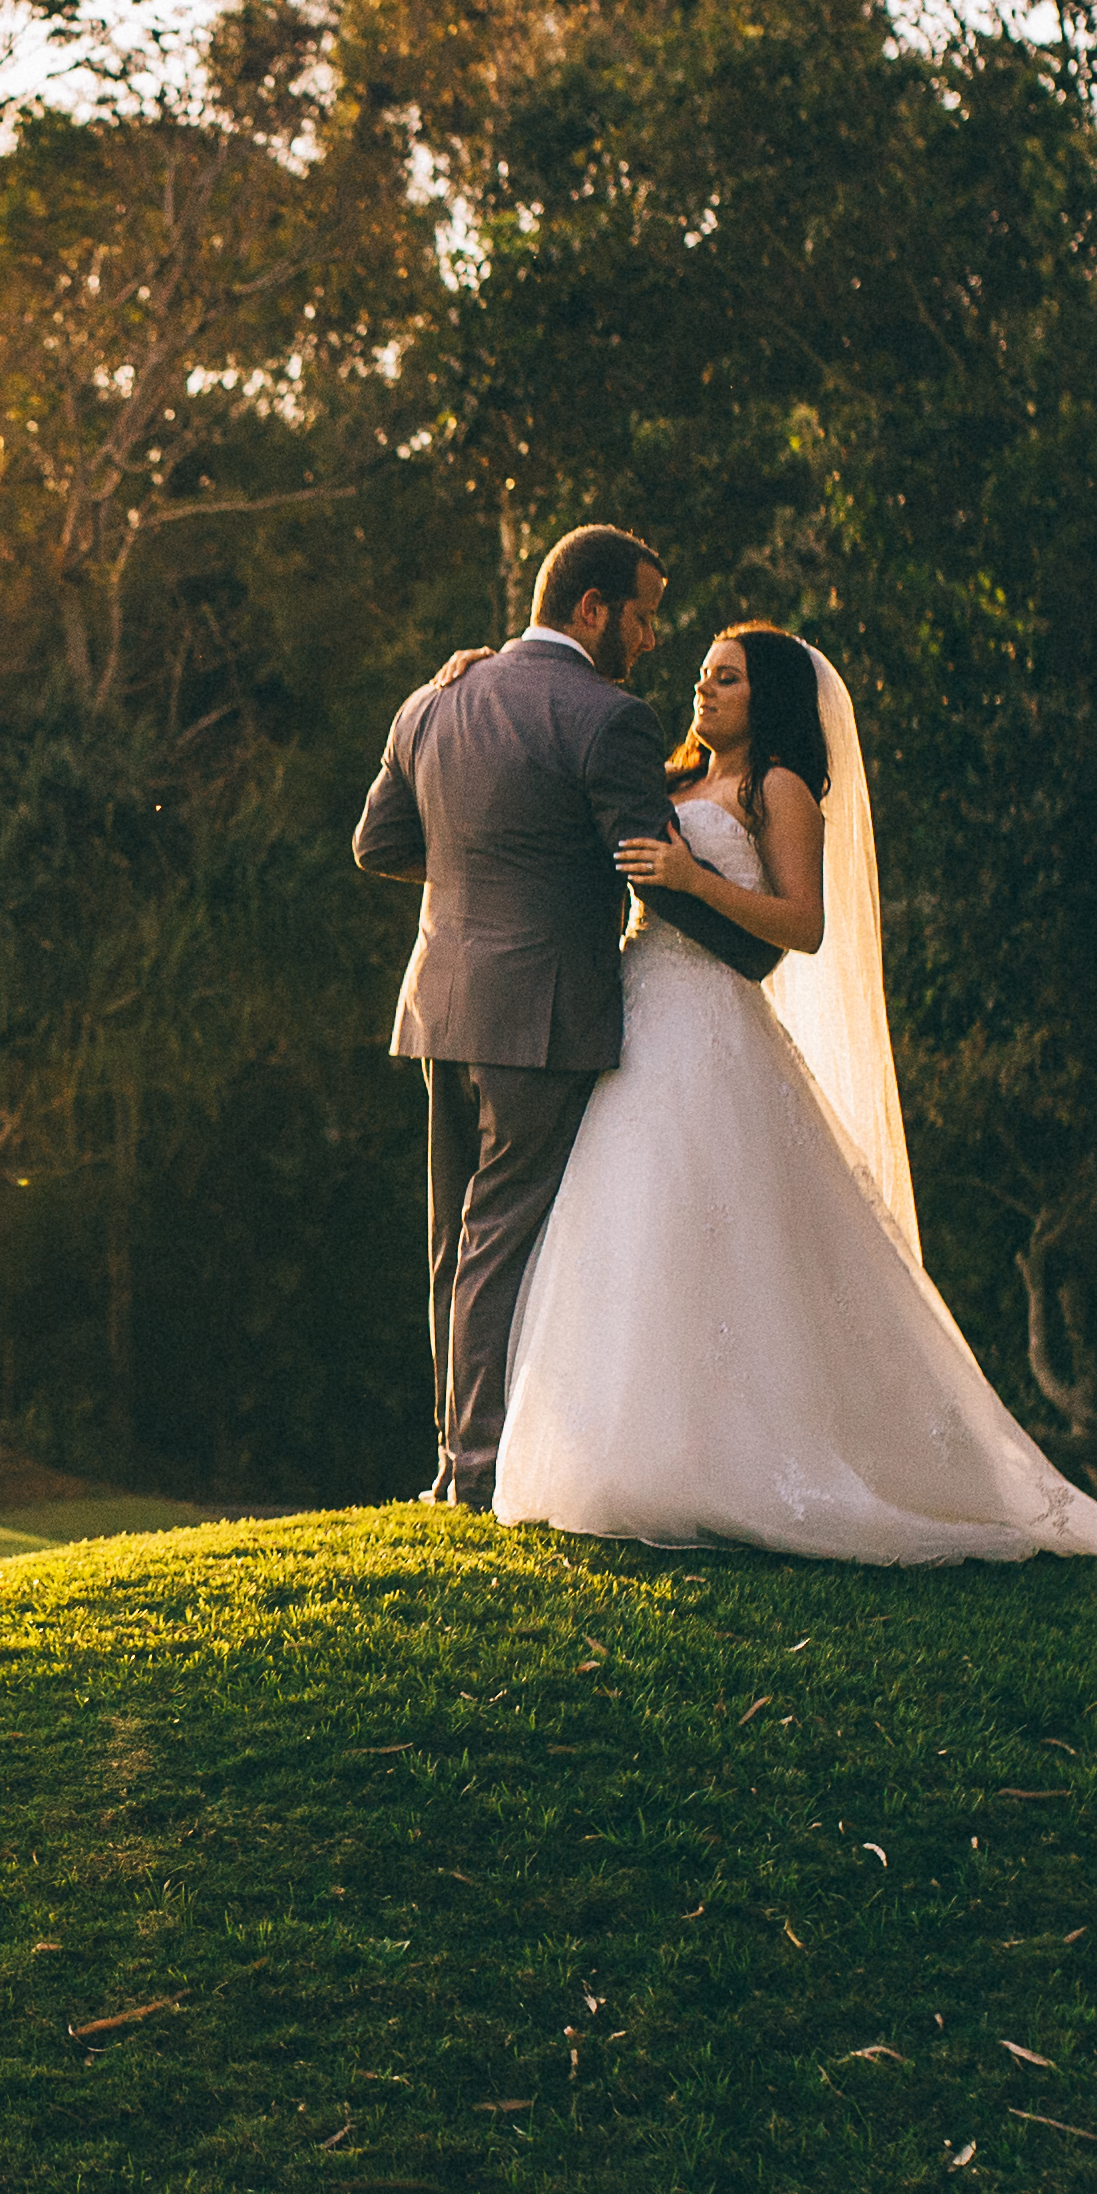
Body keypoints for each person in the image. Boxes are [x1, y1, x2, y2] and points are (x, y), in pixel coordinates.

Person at [467, 614, 1097, 1570]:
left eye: (726, 679)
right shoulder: (671, 778)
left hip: (712, 1020)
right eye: (703, 676)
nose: (703, 690)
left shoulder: (781, 788)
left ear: (768, 697)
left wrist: (691, 877)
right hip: (636, 1013)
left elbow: (801, 925)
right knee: (631, 1227)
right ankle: (624, 1457)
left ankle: (753, 1463)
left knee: (721, 1230)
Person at [351, 525, 776, 1509]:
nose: (649, 637)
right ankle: (472, 1475)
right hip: (539, 1014)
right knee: (500, 1235)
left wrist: (478, 876)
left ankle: (454, 1459)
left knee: (453, 1241)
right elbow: (645, 865)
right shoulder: (607, 715)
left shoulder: (434, 696)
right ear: (591, 609)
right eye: (641, 614)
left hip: (440, 1001)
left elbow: (377, 842)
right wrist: (754, 952)